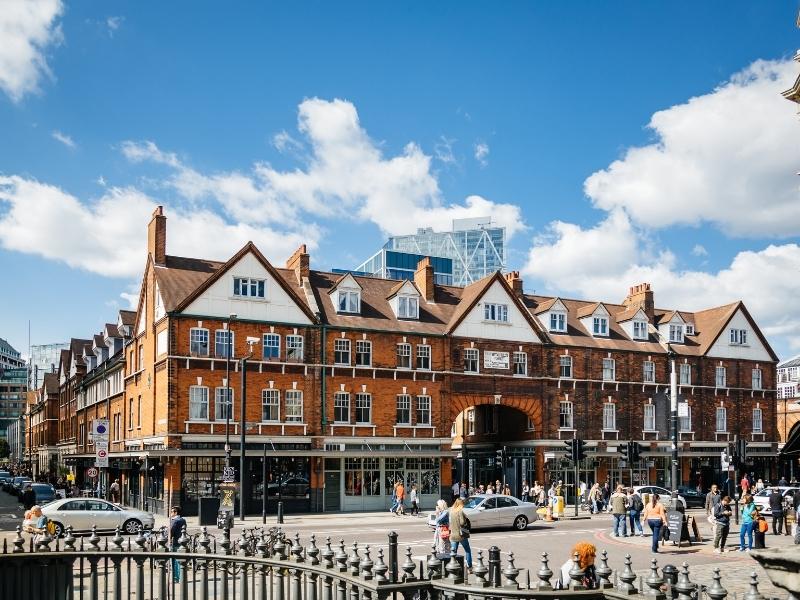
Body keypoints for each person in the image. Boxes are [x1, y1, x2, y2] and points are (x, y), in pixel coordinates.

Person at [448, 498, 473, 572]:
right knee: (467, 550)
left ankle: (452, 566)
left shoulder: (451, 510)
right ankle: (469, 567)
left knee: (453, 552)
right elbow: (462, 523)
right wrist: (465, 519)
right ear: (460, 504)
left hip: (453, 534)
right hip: (461, 534)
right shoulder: (460, 511)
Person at [169, 506, 187, 583]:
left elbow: (171, 531)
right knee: (180, 561)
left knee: (174, 561)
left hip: (175, 542)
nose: (171, 513)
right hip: (182, 542)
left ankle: (176, 578)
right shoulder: (183, 520)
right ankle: (180, 577)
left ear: (176, 512)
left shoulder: (175, 521)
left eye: (172, 512)